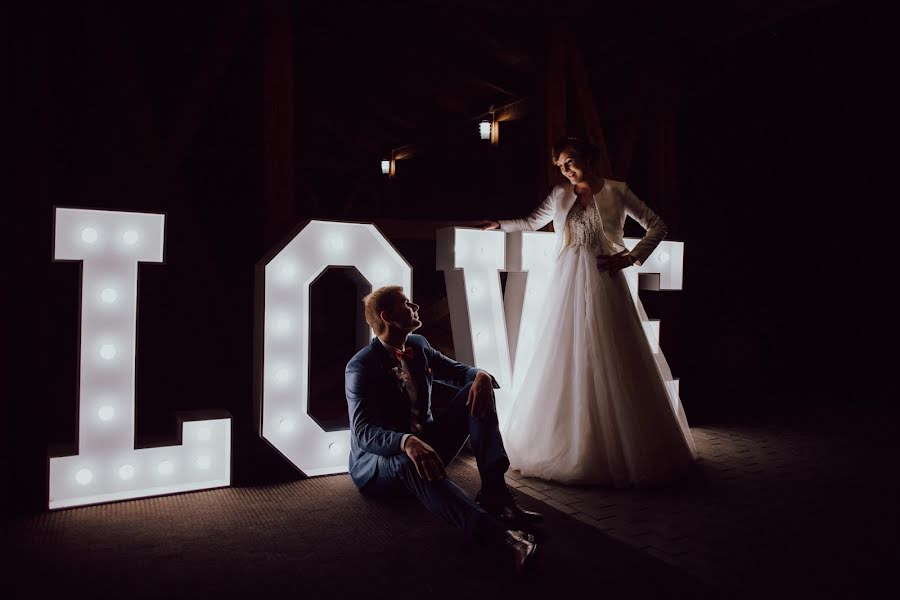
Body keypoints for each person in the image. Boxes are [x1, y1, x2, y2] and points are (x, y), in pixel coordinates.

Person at [480, 137, 696, 487]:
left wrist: (630, 256)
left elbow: (658, 225)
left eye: (570, 162)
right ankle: (572, 442)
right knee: (566, 356)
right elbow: (533, 221)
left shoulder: (617, 191)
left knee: (614, 357)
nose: (566, 170)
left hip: (604, 279)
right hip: (566, 282)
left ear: (589, 158)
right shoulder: (560, 194)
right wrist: (500, 225)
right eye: (561, 166)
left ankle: (622, 448)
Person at [345, 285, 543, 571]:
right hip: (379, 467)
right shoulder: (360, 366)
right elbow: (363, 432)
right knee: (405, 460)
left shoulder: (419, 346)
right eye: (405, 303)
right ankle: (501, 539)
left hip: (428, 445)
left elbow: (459, 373)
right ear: (387, 316)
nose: (414, 306)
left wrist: (482, 376)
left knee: (477, 391)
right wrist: (406, 441)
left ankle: (495, 494)